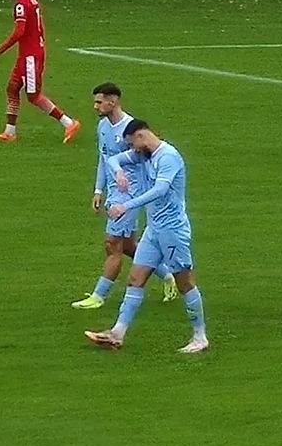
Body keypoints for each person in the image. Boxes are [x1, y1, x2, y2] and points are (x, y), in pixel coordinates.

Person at [84, 120, 208, 353]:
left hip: (173, 231)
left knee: (185, 283)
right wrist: (119, 172)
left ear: (141, 136)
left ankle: (200, 337)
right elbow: (112, 159)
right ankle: (117, 334)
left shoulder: (168, 157)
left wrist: (126, 206)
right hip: (153, 230)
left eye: (133, 145)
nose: (133, 151)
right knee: (135, 279)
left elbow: (160, 190)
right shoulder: (145, 155)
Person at [71, 83, 177, 310]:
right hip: (113, 193)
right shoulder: (102, 127)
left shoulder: (132, 130)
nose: (95, 106)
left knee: (112, 244)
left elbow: (146, 162)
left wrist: (131, 197)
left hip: (129, 195)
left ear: (113, 101)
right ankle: (169, 276)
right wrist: (99, 190)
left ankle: (99, 296)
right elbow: (104, 158)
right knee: (128, 245)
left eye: (100, 102)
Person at [0, 0, 81, 144]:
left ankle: (69, 123)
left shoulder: (22, 4)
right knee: (12, 88)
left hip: (30, 56)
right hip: (30, 53)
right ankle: (9, 132)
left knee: (33, 96)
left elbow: (19, 32)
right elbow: (39, 27)